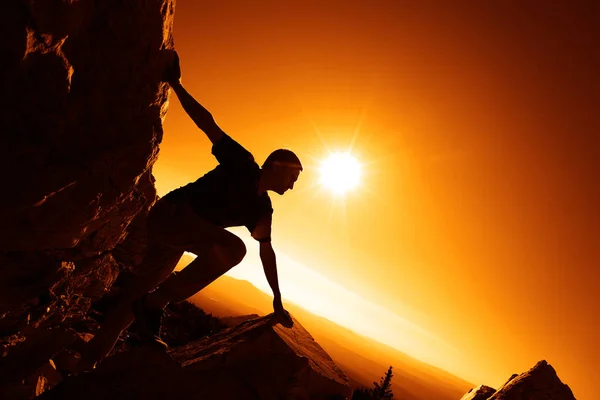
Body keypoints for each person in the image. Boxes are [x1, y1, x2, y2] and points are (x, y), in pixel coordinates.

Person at [79, 51, 300, 369]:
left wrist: (277, 299)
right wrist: (175, 85)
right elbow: (208, 124)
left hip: (178, 237)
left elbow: (267, 251)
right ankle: (157, 302)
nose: (292, 186)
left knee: (134, 303)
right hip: (171, 215)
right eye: (292, 177)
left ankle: (88, 364)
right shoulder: (243, 164)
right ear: (277, 167)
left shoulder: (262, 208)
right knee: (233, 247)